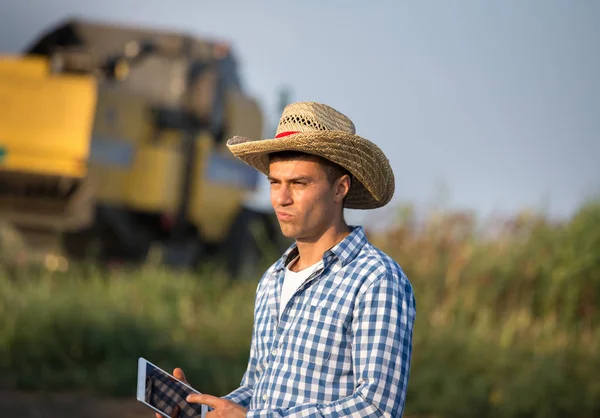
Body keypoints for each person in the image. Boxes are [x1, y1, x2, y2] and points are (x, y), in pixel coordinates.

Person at [159, 101, 416, 417]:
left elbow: (378, 410)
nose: (281, 198)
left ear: (340, 188)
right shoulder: (273, 278)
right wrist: (200, 409)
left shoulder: (376, 279)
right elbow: (258, 389)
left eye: (299, 183)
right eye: (275, 182)